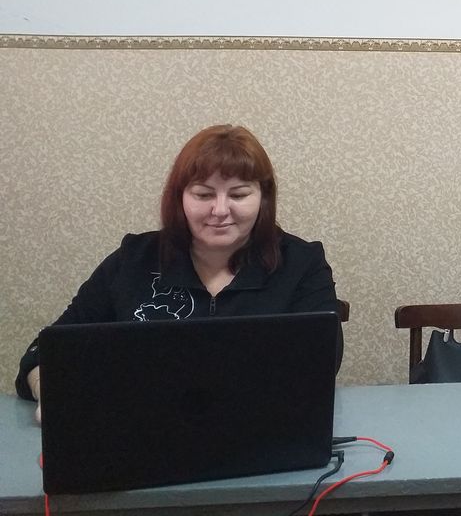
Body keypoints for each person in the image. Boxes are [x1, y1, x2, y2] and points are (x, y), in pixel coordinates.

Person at [15, 124, 344, 420]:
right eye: (203, 194)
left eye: (239, 194)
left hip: (263, 436)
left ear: (263, 198)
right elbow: (45, 352)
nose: (220, 210)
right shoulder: (133, 260)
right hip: (144, 437)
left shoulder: (302, 263)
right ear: (180, 198)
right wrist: (52, 392)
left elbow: (320, 365)